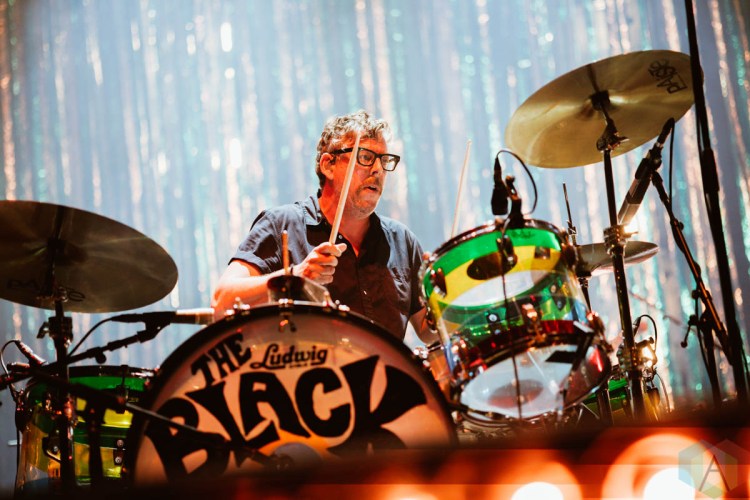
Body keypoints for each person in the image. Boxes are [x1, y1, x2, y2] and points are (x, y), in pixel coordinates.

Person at [212, 110, 436, 343]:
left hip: (385, 367)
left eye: (384, 160)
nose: (378, 169)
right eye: (365, 157)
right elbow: (222, 301)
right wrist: (296, 277)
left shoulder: (401, 240)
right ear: (329, 165)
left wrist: (443, 300)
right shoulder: (281, 224)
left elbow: (427, 331)